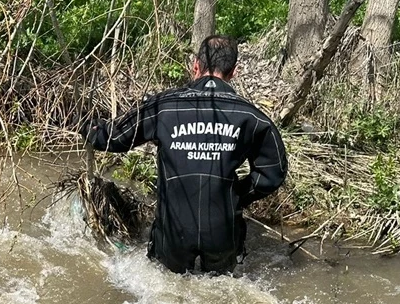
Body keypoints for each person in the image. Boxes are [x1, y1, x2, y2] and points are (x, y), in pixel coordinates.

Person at [86, 34, 287, 275]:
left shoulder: (164, 106)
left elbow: (114, 139)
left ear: (195, 66)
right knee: (219, 294)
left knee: (168, 296)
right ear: (233, 72)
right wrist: (236, 195)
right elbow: (274, 172)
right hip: (222, 230)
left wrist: (87, 125)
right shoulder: (251, 116)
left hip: (173, 230)